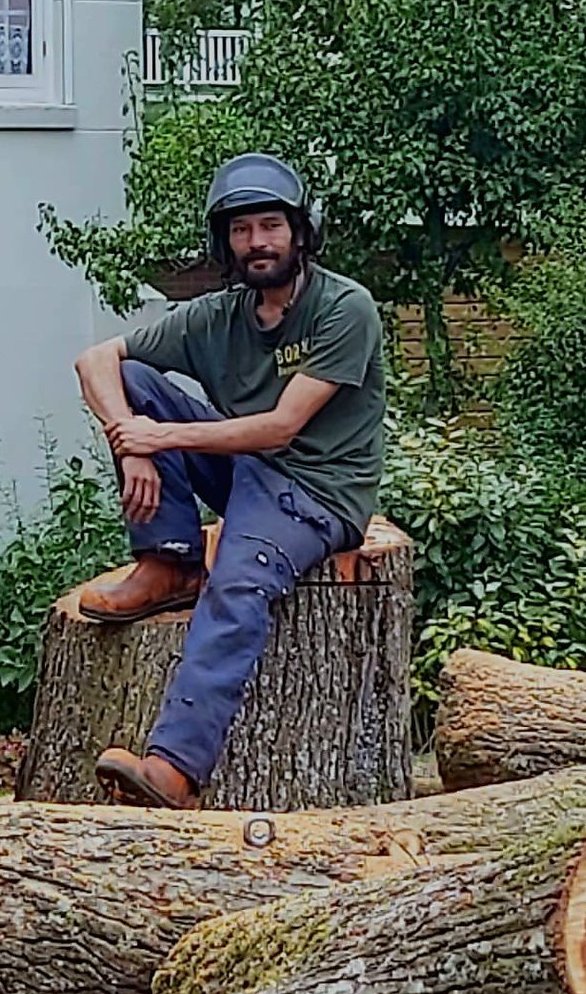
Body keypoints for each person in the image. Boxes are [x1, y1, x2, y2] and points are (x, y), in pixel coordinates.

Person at [75, 153, 387, 808]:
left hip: (316, 491)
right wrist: (129, 440)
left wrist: (160, 438)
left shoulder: (344, 308)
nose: (257, 242)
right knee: (133, 382)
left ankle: (175, 770)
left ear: (300, 231)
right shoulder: (218, 315)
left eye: (270, 225)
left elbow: (281, 427)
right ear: (225, 243)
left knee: (240, 584)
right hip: (247, 469)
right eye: (241, 230)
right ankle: (169, 562)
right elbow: (97, 360)